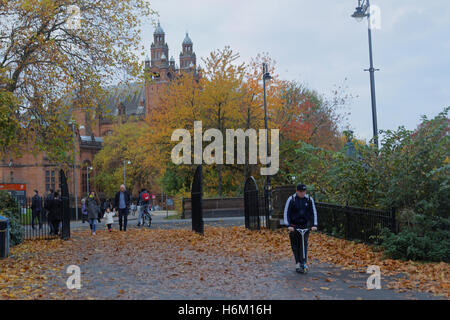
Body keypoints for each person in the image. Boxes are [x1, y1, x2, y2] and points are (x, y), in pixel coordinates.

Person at [284, 183, 318, 273]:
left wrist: (314, 224)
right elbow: (286, 212)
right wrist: (288, 225)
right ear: (297, 191)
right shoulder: (291, 199)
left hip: (305, 225)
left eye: (304, 191)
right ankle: (298, 262)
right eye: (300, 191)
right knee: (295, 244)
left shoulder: (309, 199)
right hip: (294, 226)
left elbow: (313, 212)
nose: (302, 193)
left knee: (304, 243)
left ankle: (303, 262)